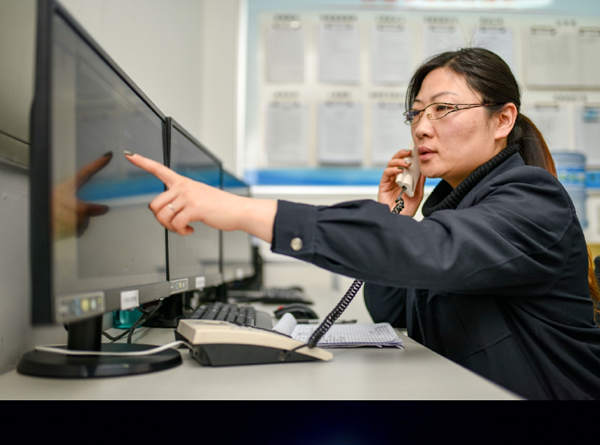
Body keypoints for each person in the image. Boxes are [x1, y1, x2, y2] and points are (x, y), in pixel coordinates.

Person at [124, 47, 600, 400]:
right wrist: (396, 213)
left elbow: (433, 253)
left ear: (503, 120)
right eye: (415, 113)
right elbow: (393, 311)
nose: (421, 127)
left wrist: (241, 212)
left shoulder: (533, 199)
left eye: (444, 109)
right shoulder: (454, 210)